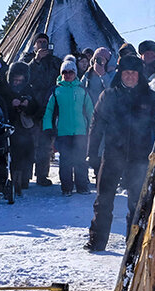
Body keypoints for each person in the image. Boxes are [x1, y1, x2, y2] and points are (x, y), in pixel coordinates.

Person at [85, 54, 155, 251]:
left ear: (139, 75)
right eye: (126, 73)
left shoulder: (151, 98)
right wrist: (92, 153)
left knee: (138, 203)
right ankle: (97, 241)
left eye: (133, 73)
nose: (129, 77)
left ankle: (134, 243)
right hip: (112, 155)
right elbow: (96, 126)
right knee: (103, 200)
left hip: (140, 157)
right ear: (120, 74)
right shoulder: (109, 96)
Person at [44, 58, 93, 196]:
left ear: (75, 73)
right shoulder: (56, 91)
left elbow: (90, 110)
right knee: (65, 161)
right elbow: (48, 111)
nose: (68, 75)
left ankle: (82, 186)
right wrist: (48, 128)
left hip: (80, 131)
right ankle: (66, 188)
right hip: (63, 132)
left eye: (71, 72)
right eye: (64, 72)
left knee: (80, 160)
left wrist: (93, 127)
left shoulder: (82, 90)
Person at [28, 33, 61, 186]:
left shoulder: (55, 62)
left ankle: (42, 175)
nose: (42, 45)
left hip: (50, 107)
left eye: (44, 42)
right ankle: (26, 176)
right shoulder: (28, 59)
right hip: (33, 107)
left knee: (45, 144)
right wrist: (37, 60)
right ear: (34, 45)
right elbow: (24, 76)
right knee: (29, 143)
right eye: (39, 42)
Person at [6, 62, 39, 197]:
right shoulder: (6, 90)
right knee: (15, 156)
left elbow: (36, 108)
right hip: (11, 128)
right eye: (15, 80)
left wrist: (28, 104)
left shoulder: (29, 90)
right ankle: (15, 180)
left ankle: (25, 179)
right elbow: (2, 107)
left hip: (26, 128)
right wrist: (11, 104)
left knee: (28, 154)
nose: (17, 83)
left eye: (20, 80)